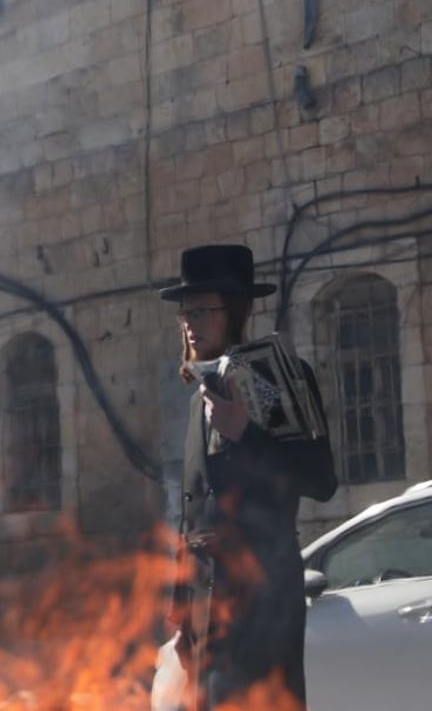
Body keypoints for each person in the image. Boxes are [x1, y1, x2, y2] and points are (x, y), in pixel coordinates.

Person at [159, 244, 338, 710]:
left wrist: (246, 434)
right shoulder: (199, 398)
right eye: (185, 312)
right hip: (205, 615)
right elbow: (193, 511)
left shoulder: (284, 378)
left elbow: (321, 480)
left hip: (263, 608)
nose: (189, 323)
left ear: (235, 310)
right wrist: (179, 612)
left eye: (201, 310)